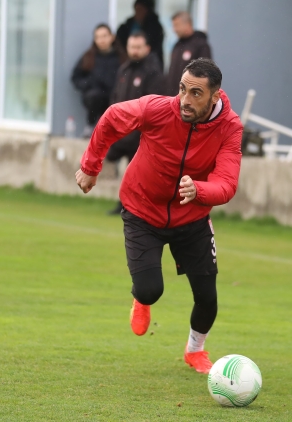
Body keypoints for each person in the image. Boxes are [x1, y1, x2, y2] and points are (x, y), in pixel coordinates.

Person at [75, 58, 243, 374]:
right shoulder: (157, 108)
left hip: (192, 218)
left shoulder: (230, 127)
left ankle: (195, 351)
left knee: (207, 296)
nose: (185, 100)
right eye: (182, 89)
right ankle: (140, 300)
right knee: (150, 290)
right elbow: (111, 118)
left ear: (215, 96)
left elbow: (227, 182)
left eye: (196, 93)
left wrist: (200, 190)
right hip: (142, 210)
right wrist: (90, 166)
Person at [106, 31, 165, 215]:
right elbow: (115, 98)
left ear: (147, 48)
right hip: (122, 131)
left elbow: (154, 107)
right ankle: (124, 204)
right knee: (126, 171)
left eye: (138, 47)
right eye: (132, 47)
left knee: (138, 173)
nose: (135, 51)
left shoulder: (153, 72)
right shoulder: (124, 69)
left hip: (141, 133)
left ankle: (136, 207)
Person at [71, 24, 127, 136]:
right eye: (98, 37)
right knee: (95, 96)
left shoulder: (122, 57)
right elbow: (75, 77)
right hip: (94, 97)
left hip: (115, 97)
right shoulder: (88, 56)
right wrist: (88, 84)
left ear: (112, 37)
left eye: (104, 36)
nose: (102, 40)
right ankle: (90, 127)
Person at [166, 11, 212, 96]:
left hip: (189, 98)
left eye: (176, 25)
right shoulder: (177, 46)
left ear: (187, 25)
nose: (174, 30)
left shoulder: (201, 45)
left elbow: (205, 74)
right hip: (173, 98)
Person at [116, 0, 165, 68]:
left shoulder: (154, 27)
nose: (138, 12)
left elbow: (156, 49)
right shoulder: (128, 25)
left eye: (141, 9)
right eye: (136, 9)